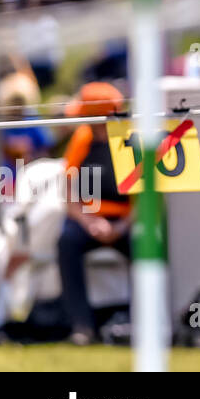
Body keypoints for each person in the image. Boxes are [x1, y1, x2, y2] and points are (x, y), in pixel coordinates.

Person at [57, 82, 129, 345]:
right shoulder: (82, 139)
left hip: (124, 222)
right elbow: (69, 190)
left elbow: (144, 196)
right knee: (66, 241)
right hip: (87, 221)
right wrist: (88, 222)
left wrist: (120, 228)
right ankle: (81, 326)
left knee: (146, 243)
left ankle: (141, 319)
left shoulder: (129, 141)